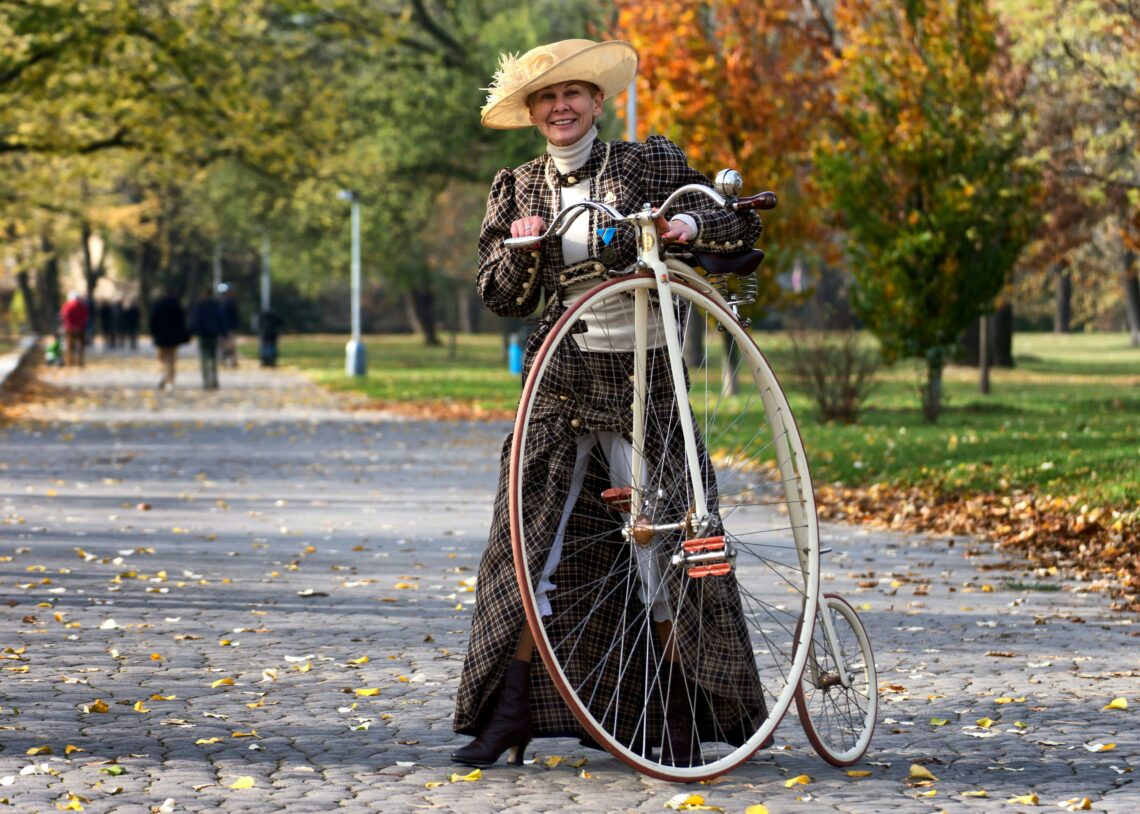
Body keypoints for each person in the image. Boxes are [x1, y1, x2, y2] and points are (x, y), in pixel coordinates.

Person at [451, 39, 764, 769]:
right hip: (560, 385)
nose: (561, 108)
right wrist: (522, 250)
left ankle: (682, 715)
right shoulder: (519, 188)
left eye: (574, 96)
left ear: (596, 103)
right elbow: (499, 296)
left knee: (667, 548)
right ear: (532, 114)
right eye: (546, 99)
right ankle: (513, 710)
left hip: (646, 384)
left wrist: (687, 227)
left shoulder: (643, 164)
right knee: (531, 547)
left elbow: (733, 223)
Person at [187, 286, 227, 389]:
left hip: (203, 335)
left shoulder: (199, 305)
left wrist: (191, 333)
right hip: (213, 334)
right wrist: (223, 333)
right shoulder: (216, 305)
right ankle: (214, 379)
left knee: (204, 358)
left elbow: (194, 320)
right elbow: (221, 319)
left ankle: (205, 380)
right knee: (213, 357)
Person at [149, 288, 188, 390]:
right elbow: (182, 322)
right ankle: (170, 380)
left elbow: (153, 320)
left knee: (162, 358)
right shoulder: (177, 305)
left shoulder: (159, 305)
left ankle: (163, 376)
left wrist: (154, 333)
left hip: (161, 336)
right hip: (174, 337)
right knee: (172, 359)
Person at [59, 291, 88, 367]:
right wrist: (79, 326)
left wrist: (71, 326)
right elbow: (84, 317)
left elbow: (65, 316)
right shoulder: (82, 306)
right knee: (81, 345)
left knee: (70, 345)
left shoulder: (66, 306)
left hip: (69, 329)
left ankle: (70, 362)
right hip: (81, 328)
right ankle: (80, 361)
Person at [217, 283, 241, 367]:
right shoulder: (228, 302)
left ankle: (229, 361)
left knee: (228, 346)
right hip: (228, 327)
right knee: (228, 346)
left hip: (227, 327)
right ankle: (230, 361)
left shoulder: (223, 302)